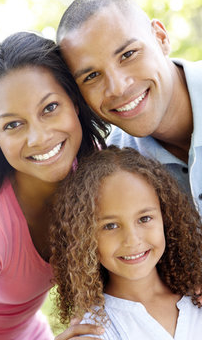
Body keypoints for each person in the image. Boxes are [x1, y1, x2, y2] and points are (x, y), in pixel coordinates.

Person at [0, 31, 109, 340]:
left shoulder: (97, 171)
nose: (39, 138)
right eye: (13, 125)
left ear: (75, 103)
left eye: (50, 108)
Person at [56, 0, 202, 215]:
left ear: (161, 38)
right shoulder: (114, 170)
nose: (118, 88)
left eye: (128, 54)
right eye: (92, 76)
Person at [50, 145, 202, 339]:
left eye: (144, 219)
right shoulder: (95, 330)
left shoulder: (196, 297)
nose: (132, 240)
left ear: (166, 217)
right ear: (85, 236)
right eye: (111, 226)